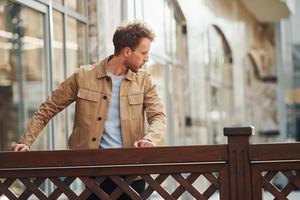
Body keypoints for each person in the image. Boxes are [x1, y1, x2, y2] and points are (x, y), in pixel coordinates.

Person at [12, 21, 167, 199]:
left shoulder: (144, 80)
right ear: (127, 51)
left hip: (132, 173)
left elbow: (158, 116)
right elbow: (48, 108)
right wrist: (26, 141)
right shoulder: (83, 76)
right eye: (144, 53)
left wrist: (150, 139)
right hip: (93, 173)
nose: (147, 58)